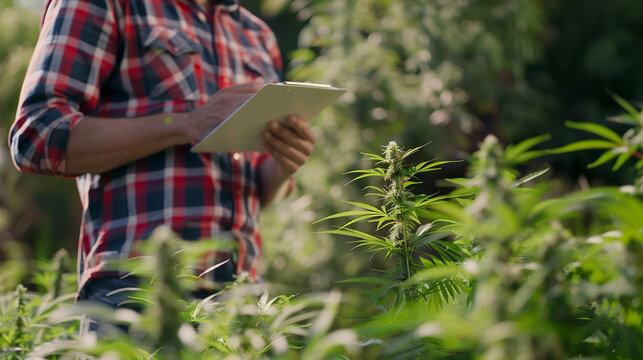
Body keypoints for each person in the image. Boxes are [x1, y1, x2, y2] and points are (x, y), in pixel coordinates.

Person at [9, 0, 315, 307]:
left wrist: (282, 164)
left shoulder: (256, 34)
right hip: (134, 292)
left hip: (240, 298)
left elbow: (259, 191)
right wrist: (187, 123)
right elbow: (37, 136)